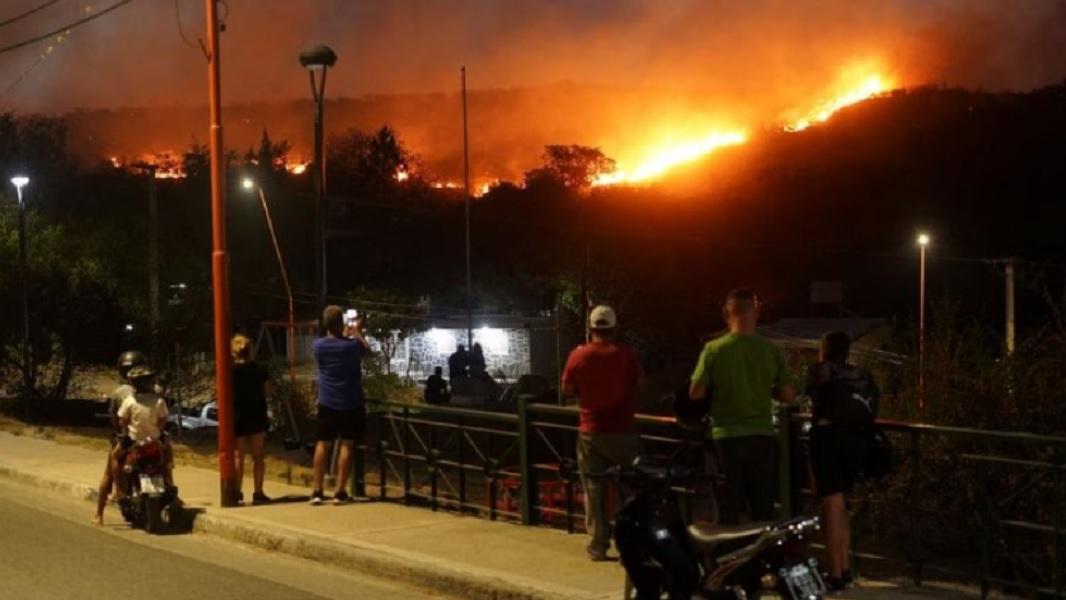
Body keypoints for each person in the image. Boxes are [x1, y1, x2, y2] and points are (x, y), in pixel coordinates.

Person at [689, 289, 795, 525]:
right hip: (762, 436)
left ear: (726, 313)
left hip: (725, 438)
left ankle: (730, 556)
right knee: (763, 506)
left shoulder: (714, 349)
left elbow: (695, 393)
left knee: (729, 507)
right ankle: (761, 556)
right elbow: (788, 395)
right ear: (756, 312)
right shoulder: (770, 350)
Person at [562, 305, 642, 561]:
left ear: (590, 328)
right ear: (614, 328)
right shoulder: (627, 355)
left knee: (594, 489)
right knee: (627, 489)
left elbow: (566, 389)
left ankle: (598, 544)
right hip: (623, 430)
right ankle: (627, 542)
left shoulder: (578, 356)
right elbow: (641, 384)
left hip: (591, 432)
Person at [806, 331, 879, 591]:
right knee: (842, 504)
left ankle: (835, 573)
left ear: (824, 349)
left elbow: (814, 399)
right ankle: (845, 567)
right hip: (857, 442)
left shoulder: (820, 370)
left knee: (832, 504)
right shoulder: (862, 374)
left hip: (828, 441)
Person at [310, 305, 371, 505]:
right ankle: (339, 492)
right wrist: (357, 332)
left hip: (327, 401)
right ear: (341, 323)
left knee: (322, 445)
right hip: (350, 401)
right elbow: (367, 351)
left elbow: (335, 344)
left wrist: (344, 334)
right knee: (347, 444)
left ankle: (317, 491)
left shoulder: (318, 346)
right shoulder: (351, 346)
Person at [92, 350, 145, 525]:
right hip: (151, 437)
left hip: (128, 438)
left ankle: (101, 512)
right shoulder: (156, 389)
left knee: (108, 472)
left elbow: (115, 419)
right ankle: (171, 490)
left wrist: (119, 433)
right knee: (165, 460)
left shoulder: (119, 393)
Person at [112, 365, 174, 497]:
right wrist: (158, 432)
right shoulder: (159, 401)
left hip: (133, 440)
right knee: (167, 453)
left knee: (115, 457)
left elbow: (122, 421)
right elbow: (163, 419)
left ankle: (118, 489)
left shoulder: (129, 401)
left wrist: (124, 433)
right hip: (155, 439)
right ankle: (170, 481)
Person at [231, 334, 272, 505]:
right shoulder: (260, 370)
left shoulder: (230, 371)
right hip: (257, 414)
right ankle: (258, 491)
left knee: (238, 457)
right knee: (258, 456)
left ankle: (237, 491)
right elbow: (267, 392)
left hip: (238, 415)